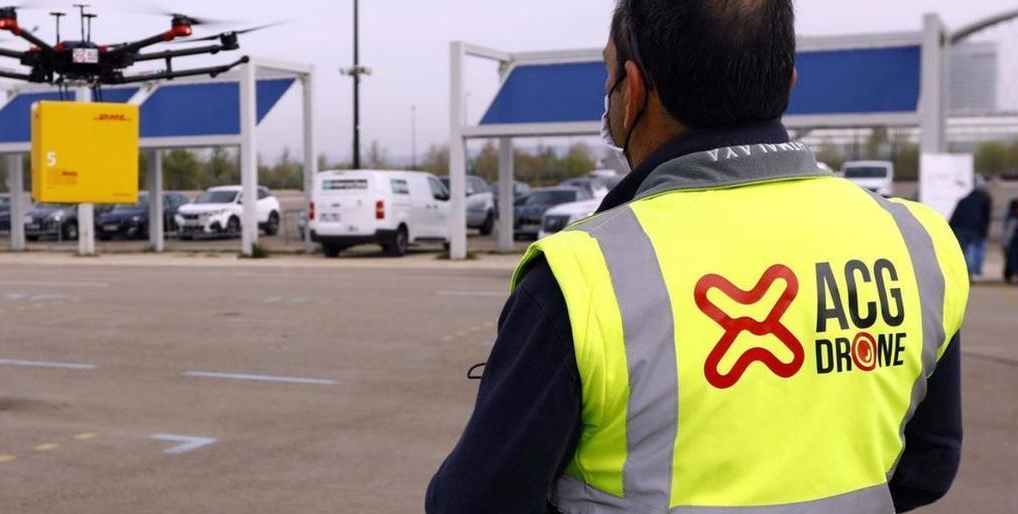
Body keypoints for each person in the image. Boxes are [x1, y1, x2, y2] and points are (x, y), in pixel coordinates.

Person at [426, 1, 969, 513]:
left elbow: (476, 501)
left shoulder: (584, 275)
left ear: (631, 92)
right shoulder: (917, 240)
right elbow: (928, 464)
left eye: (608, 76)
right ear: (788, 83)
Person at [948, 175, 993, 279]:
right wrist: (985, 231)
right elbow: (986, 217)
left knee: (963, 251)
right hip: (977, 229)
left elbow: (955, 216)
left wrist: (950, 229)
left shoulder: (964, 200)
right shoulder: (985, 201)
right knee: (976, 250)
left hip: (961, 229)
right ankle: (975, 272)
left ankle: (965, 272)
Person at [1004, 199, 1018, 284]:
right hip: (1012, 242)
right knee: (1012, 259)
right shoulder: (1010, 217)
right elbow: (1006, 231)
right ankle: (1012, 274)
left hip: (1012, 242)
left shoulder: (1010, 217)